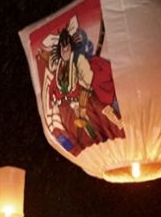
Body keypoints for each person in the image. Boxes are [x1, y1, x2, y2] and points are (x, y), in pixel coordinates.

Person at [35, 13, 125, 156]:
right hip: (67, 113)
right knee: (79, 144)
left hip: (86, 106)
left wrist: (82, 106)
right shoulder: (56, 69)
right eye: (62, 47)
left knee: (103, 132)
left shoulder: (79, 62)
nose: (65, 50)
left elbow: (86, 84)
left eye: (67, 46)